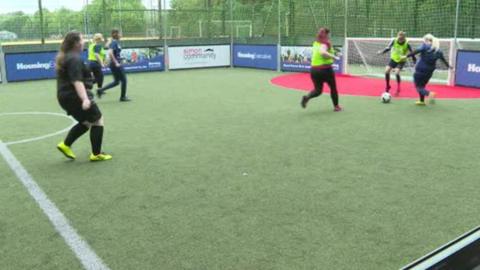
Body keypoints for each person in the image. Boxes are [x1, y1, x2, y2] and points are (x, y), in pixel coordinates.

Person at [55, 31, 112, 162]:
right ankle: (96, 154)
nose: (84, 42)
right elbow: (77, 81)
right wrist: (85, 98)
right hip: (74, 96)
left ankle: (65, 145)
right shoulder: (74, 58)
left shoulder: (66, 56)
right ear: (76, 43)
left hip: (65, 97)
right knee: (98, 120)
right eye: (81, 39)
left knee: (86, 122)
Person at [403, 33, 452, 105]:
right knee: (422, 86)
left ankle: (429, 94)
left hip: (420, 69)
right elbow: (444, 61)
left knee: (418, 87)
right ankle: (422, 101)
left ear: (426, 40)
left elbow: (416, 51)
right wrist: (449, 67)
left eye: (424, 40)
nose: (423, 42)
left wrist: (406, 56)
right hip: (429, 72)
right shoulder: (438, 51)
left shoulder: (425, 46)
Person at [301, 27, 342, 112]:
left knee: (318, 90)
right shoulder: (326, 43)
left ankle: (307, 97)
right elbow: (322, 52)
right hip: (325, 70)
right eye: (329, 34)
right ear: (326, 34)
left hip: (314, 70)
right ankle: (336, 106)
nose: (330, 36)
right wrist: (334, 56)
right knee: (333, 88)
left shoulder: (316, 43)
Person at [378, 31, 416, 96]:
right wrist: (382, 52)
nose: (399, 39)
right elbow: (388, 48)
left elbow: (412, 52)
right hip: (393, 59)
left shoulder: (407, 44)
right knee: (386, 71)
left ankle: (398, 87)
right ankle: (387, 86)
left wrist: (414, 59)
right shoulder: (394, 41)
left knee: (397, 72)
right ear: (397, 36)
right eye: (399, 37)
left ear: (404, 38)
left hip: (401, 60)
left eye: (401, 38)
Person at [97, 29, 131, 102]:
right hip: (115, 65)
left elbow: (111, 50)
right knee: (124, 80)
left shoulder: (114, 42)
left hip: (114, 64)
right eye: (120, 33)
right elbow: (110, 53)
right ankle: (123, 97)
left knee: (116, 82)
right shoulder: (114, 42)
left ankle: (100, 90)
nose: (121, 35)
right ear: (116, 34)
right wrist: (116, 62)